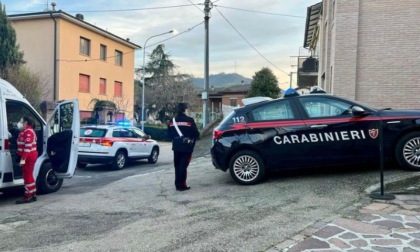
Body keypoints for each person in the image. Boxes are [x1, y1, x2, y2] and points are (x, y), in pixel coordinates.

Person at [167, 103, 200, 191]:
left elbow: (169, 134)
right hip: (186, 147)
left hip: (176, 146)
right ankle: (182, 185)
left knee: (177, 165)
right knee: (183, 165)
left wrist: (175, 139)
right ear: (185, 110)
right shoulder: (189, 120)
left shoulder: (172, 120)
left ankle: (177, 184)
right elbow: (196, 134)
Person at [15, 116, 38, 204]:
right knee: (29, 175)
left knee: (27, 176)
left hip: (28, 157)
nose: (19, 122)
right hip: (29, 156)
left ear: (26, 122)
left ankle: (28, 196)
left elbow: (27, 147)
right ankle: (33, 194)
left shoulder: (28, 132)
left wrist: (23, 159)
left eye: (21, 121)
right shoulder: (25, 131)